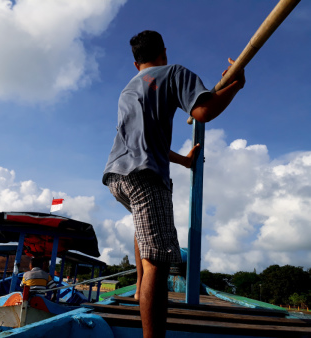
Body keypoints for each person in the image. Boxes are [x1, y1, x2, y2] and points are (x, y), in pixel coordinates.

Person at [102, 30, 245, 338]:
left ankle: (140, 291)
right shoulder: (173, 72)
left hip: (116, 177)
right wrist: (236, 84)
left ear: (135, 62)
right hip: (145, 176)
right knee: (159, 261)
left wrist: (182, 160)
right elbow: (203, 111)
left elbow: (143, 140)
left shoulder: (128, 90)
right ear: (163, 53)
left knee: (145, 232)